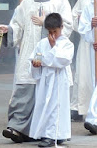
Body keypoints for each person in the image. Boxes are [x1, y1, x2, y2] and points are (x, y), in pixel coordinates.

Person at [0, 0, 73, 143]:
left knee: (49, 99)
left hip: (50, 55)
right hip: (30, 53)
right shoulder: (27, 2)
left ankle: (47, 133)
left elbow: (67, 25)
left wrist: (45, 23)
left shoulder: (60, 0)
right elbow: (18, 24)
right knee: (24, 91)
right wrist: (8, 30)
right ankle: (17, 128)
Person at [29, 13, 74, 147]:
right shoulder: (42, 43)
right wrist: (35, 64)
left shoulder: (67, 44)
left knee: (56, 106)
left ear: (62, 27)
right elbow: (35, 57)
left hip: (59, 79)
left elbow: (63, 60)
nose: (52, 35)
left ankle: (55, 135)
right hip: (45, 79)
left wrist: (54, 47)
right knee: (45, 105)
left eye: (55, 31)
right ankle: (48, 133)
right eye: (50, 32)